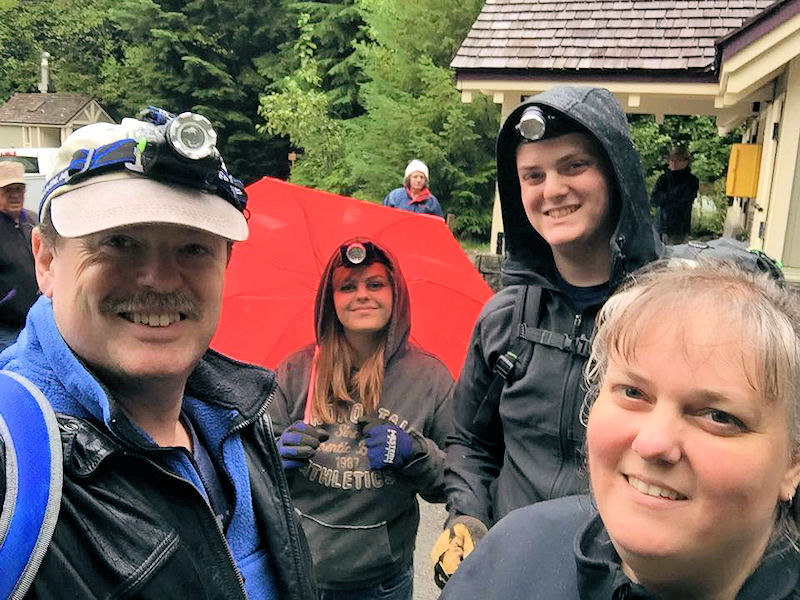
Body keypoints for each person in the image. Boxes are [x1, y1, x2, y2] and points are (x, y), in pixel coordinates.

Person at [0, 108, 316, 598]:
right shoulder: (10, 463)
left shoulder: (239, 416)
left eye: (193, 248)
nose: (161, 279)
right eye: (119, 242)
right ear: (45, 260)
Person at [440, 259, 800, 599]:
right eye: (633, 393)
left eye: (718, 416)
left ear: (792, 462)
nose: (652, 443)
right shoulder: (509, 559)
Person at [432, 86, 659, 584]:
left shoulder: (669, 318)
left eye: (574, 166)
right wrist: (468, 515)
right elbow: (469, 441)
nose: (552, 190)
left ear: (616, 174)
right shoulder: (504, 319)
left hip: (624, 580)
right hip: (513, 571)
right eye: (533, 176)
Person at [270, 237, 453, 599]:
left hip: (381, 583)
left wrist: (413, 454)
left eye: (375, 284)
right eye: (347, 287)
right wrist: (275, 456)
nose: (362, 295)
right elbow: (250, 476)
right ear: (331, 300)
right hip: (300, 574)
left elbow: (455, 482)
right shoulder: (296, 371)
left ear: (395, 293)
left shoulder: (429, 378)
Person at [0, 160, 39, 349]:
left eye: (19, 189)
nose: (15, 195)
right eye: (8, 190)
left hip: (36, 319)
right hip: (6, 328)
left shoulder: (33, 220)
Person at [650, 145, 699, 245]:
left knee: (677, 253)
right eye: (672, 160)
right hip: (660, 225)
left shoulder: (691, 180)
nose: (674, 163)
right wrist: (670, 197)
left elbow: (684, 201)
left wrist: (666, 199)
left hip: (679, 227)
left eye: (678, 160)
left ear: (686, 162)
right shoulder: (663, 179)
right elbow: (654, 200)